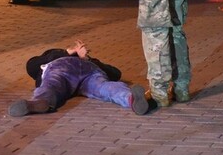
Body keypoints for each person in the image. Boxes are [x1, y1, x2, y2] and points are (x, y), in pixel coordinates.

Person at [8, 39, 150, 117]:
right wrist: (66, 52)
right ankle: (128, 98)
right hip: (66, 71)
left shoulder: (87, 60)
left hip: (83, 69)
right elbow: (31, 66)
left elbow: (115, 73)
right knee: (102, 87)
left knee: (51, 86)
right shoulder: (52, 56)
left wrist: (87, 58)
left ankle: (132, 99)